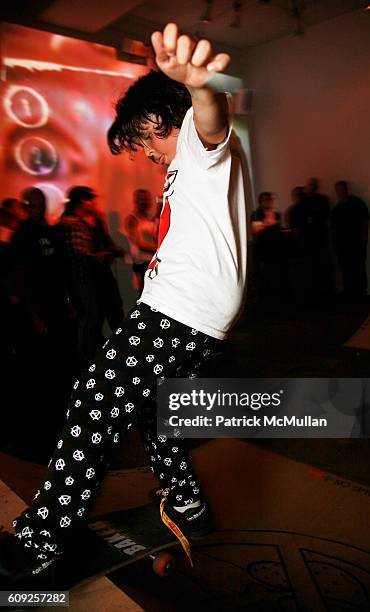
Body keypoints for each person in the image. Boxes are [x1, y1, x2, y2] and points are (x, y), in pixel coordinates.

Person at [0, 22, 249, 588]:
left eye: (142, 139)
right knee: (157, 416)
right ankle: (187, 503)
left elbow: (212, 117)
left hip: (178, 314)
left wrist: (200, 86)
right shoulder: (185, 167)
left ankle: (41, 542)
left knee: (94, 400)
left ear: (164, 118)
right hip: (195, 319)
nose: (142, 153)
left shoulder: (196, 139)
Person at [58, 186, 123, 365]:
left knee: (98, 313)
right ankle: (84, 357)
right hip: (81, 277)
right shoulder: (71, 222)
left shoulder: (91, 219)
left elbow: (99, 242)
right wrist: (99, 256)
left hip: (91, 276)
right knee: (88, 316)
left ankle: (92, 352)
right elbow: (78, 254)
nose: (93, 203)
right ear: (80, 202)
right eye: (89, 199)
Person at [331, 180, 369, 299]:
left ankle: (361, 292)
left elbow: (365, 219)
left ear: (346, 190)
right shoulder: (336, 210)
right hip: (343, 244)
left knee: (359, 266)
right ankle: (349, 291)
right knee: (346, 268)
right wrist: (335, 245)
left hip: (356, 242)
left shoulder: (357, 203)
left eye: (342, 189)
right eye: (338, 190)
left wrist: (364, 235)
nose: (340, 193)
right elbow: (334, 229)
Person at [124, 188, 158, 291]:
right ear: (136, 201)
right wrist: (157, 249)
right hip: (141, 261)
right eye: (142, 199)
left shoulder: (150, 217)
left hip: (152, 260)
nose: (145, 202)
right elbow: (138, 243)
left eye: (147, 199)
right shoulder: (132, 219)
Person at [251, 192, 282, 300]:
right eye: (265, 199)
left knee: (274, 274)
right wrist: (268, 221)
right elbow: (255, 230)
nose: (268, 201)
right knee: (261, 275)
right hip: (261, 249)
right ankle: (262, 299)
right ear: (260, 201)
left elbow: (278, 231)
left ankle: (274, 298)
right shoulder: (256, 214)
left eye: (269, 199)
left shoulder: (276, 214)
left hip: (274, 250)